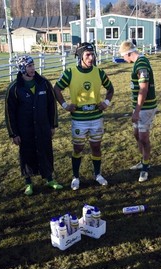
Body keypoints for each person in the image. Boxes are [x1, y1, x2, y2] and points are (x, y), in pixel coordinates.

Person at [54, 42, 114, 190]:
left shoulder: (99, 72)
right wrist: (65, 105)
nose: (91, 57)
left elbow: (110, 88)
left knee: (96, 147)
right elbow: (56, 89)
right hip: (79, 119)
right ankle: (75, 177)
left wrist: (106, 102)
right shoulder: (70, 72)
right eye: (88, 54)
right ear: (80, 56)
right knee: (78, 149)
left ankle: (98, 174)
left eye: (92, 54)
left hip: (96, 118)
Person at [5, 55, 63, 196]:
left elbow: (52, 105)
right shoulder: (14, 88)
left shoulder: (43, 83)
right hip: (24, 129)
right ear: (22, 68)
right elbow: (9, 113)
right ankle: (28, 183)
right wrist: (14, 133)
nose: (32, 69)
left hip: (43, 126)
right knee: (26, 154)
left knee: (45, 151)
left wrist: (53, 125)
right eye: (29, 66)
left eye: (33, 65)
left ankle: (49, 178)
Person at [119, 40, 157, 182]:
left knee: (143, 138)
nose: (124, 59)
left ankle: (145, 168)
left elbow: (144, 88)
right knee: (136, 134)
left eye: (124, 56)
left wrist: (137, 110)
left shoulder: (141, 64)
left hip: (145, 108)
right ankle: (143, 161)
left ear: (129, 54)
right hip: (138, 107)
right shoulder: (138, 63)